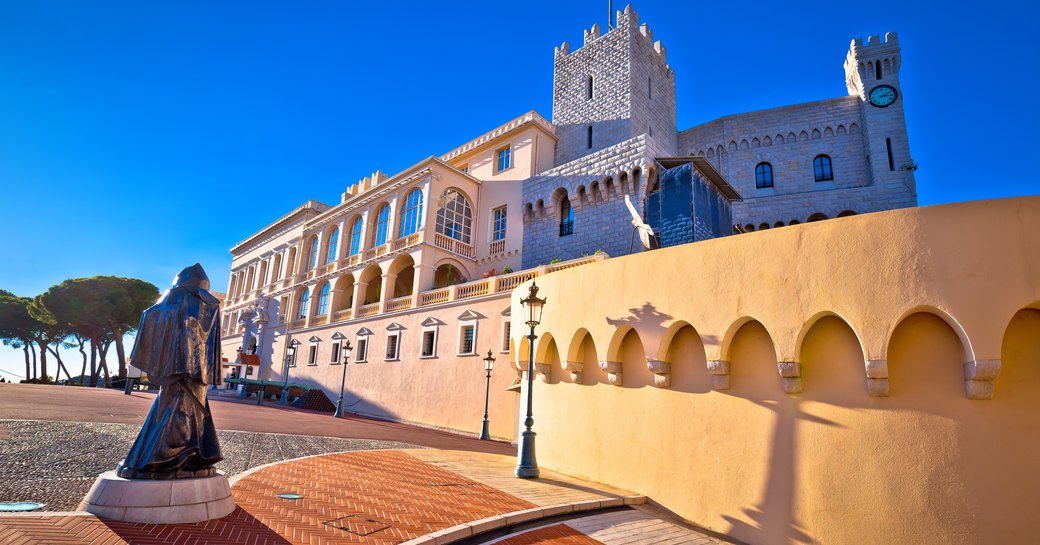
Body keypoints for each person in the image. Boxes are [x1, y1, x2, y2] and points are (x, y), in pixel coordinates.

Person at [117, 263, 224, 479]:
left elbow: (153, 314)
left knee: (171, 411)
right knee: (193, 414)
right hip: (199, 372)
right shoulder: (212, 304)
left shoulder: (176, 294)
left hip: (178, 369)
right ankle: (194, 455)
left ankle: (160, 459)